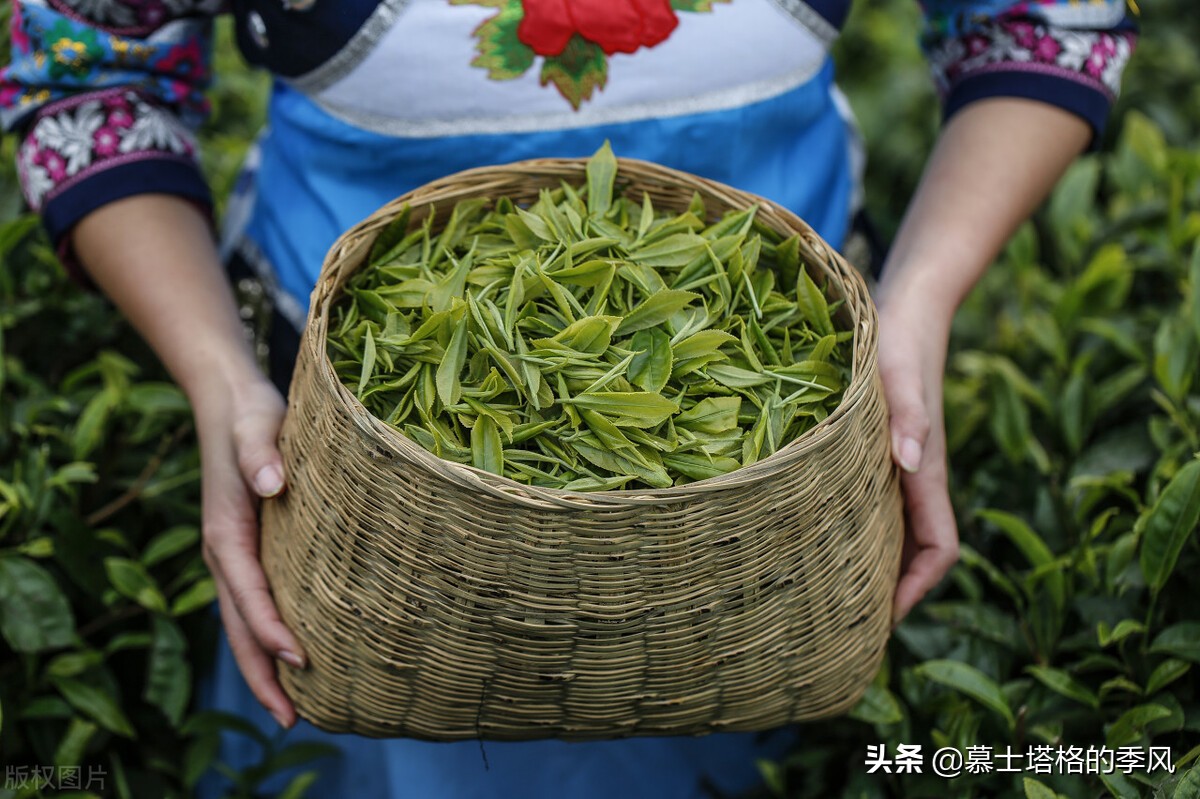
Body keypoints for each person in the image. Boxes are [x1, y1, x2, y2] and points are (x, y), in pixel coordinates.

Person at [2, 1, 1137, 796]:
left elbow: (1040, 19)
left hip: (768, 489)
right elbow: (93, 67)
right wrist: (218, 379)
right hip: (359, 508)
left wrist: (918, 310)